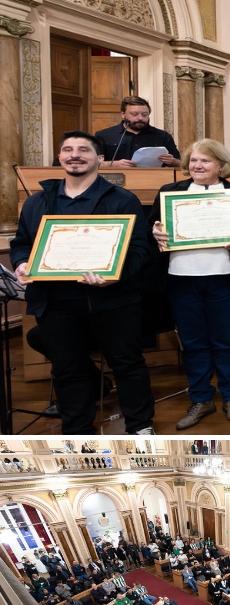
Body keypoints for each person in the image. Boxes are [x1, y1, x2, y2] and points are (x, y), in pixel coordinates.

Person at [11, 131, 157, 435]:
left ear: (100, 159)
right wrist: (22, 262)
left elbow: (140, 250)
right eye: (67, 150)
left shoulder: (122, 199)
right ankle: (77, 432)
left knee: (127, 364)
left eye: (83, 150)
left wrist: (114, 275)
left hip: (112, 299)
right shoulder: (37, 202)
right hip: (56, 301)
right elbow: (22, 243)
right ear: (60, 157)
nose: (74, 155)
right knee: (68, 369)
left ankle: (140, 427)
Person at [148, 139, 230, 428]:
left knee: (226, 340)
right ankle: (200, 400)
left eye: (205, 161)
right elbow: (151, 231)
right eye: (194, 160)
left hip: (224, 279)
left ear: (221, 165)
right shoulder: (169, 192)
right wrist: (155, 232)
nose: (197, 165)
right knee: (193, 343)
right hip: (181, 279)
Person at [94, 96, 180, 168]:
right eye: (134, 114)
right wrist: (113, 164)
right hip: (116, 181)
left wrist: (172, 161)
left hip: (154, 181)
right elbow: (92, 164)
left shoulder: (163, 136)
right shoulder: (104, 135)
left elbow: (181, 164)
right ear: (123, 114)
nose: (140, 118)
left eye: (144, 114)